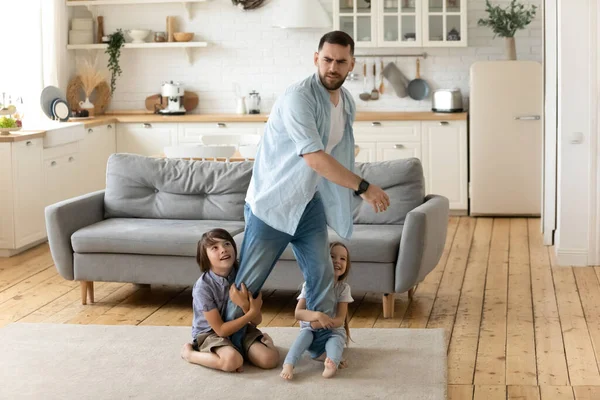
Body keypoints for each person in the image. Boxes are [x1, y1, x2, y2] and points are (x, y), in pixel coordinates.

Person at [225, 30, 390, 353]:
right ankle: (225, 338)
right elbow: (314, 157)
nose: (333, 67)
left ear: (351, 64)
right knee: (249, 283)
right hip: (272, 204)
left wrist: (344, 189)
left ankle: (320, 343)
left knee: (322, 275)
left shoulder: (346, 102)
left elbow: (339, 150)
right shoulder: (298, 97)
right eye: (327, 59)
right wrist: (363, 187)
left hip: (307, 202)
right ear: (316, 58)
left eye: (341, 61)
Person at [181, 228, 279, 372]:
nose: (223, 250)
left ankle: (260, 343)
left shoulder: (244, 275)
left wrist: (245, 305)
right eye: (215, 247)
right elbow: (220, 330)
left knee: (269, 359)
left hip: (241, 328)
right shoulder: (203, 287)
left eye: (227, 244)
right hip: (211, 333)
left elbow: (257, 321)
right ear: (205, 257)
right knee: (232, 360)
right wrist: (251, 312)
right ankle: (190, 354)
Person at [280, 242, 353, 380]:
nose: (338, 261)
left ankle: (331, 364)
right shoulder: (309, 284)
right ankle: (289, 364)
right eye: (332, 256)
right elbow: (298, 313)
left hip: (332, 331)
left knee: (336, 341)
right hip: (311, 332)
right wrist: (317, 316)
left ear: (347, 264)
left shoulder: (343, 288)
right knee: (304, 336)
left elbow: (340, 320)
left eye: (343, 258)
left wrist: (320, 324)